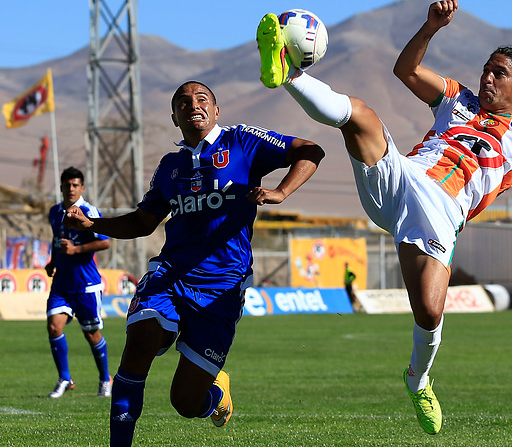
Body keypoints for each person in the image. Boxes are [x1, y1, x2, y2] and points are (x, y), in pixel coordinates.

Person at [256, 0, 512, 435]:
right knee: (360, 116)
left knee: (429, 313)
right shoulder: (456, 97)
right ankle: (287, 72)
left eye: (497, 73)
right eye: (486, 69)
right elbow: (405, 71)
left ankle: (418, 379)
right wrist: (429, 29)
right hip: (403, 177)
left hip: (442, 215)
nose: (486, 77)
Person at [63, 81, 324, 446]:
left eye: (202, 99)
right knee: (140, 340)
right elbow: (143, 221)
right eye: (183, 102)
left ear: (216, 111)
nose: (193, 105)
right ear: (174, 117)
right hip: (169, 274)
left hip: (222, 284)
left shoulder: (243, 141)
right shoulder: (170, 166)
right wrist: (95, 224)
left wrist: (281, 191)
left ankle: (215, 395)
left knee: (185, 403)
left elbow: (310, 150)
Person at [45, 166, 112, 398]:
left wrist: (77, 249)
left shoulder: (88, 211)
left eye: (75, 185)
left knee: (91, 334)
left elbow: (105, 242)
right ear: (61, 187)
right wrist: (53, 261)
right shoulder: (54, 212)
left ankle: (105, 379)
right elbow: (57, 240)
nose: (71, 189)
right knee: (54, 327)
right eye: (67, 185)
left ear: (82, 188)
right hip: (62, 284)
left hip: (86, 285)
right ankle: (64, 378)